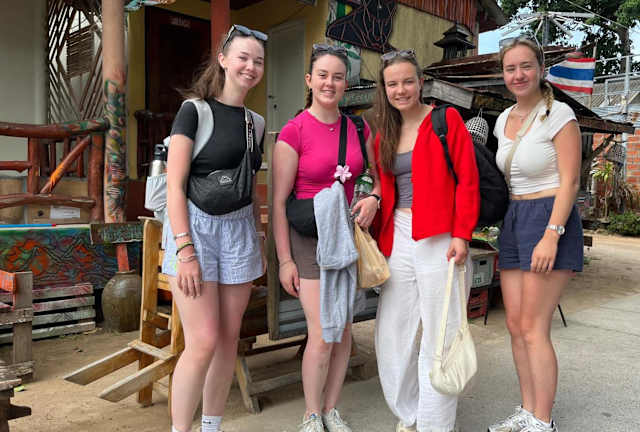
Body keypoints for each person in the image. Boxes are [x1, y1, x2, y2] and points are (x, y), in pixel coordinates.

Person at [162, 25, 268, 432]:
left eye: (258, 61)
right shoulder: (194, 111)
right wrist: (185, 251)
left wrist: (257, 239)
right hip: (196, 229)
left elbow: (248, 186)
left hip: (239, 231)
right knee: (203, 340)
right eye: (242, 57)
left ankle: (212, 426)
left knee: (227, 340)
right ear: (222, 60)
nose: (250, 66)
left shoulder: (256, 123)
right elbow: (175, 186)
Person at [271, 44, 378, 432]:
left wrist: (374, 198)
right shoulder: (294, 131)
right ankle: (312, 414)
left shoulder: (359, 129)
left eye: (337, 77)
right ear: (309, 80)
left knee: (345, 329)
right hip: (309, 239)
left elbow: (377, 178)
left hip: (347, 236)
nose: (329, 83)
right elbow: (278, 203)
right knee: (322, 331)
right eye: (322, 75)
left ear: (346, 84)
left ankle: (332, 408)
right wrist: (285, 260)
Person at [371, 49, 479, 432]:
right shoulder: (383, 134)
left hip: (440, 236)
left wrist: (462, 234)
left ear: (420, 82)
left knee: (440, 332)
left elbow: (468, 181)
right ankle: (410, 412)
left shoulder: (445, 120)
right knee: (393, 331)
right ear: (384, 89)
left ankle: (436, 424)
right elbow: (383, 188)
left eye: (407, 81)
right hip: (398, 235)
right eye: (392, 84)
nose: (400, 90)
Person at [487, 38, 583, 432]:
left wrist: (552, 234)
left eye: (526, 66)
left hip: (549, 217)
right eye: (510, 68)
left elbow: (571, 180)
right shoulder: (502, 119)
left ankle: (543, 420)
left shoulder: (559, 114)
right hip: (514, 218)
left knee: (534, 326)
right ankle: (527, 410)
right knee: (515, 324)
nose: (518, 75)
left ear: (541, 69)